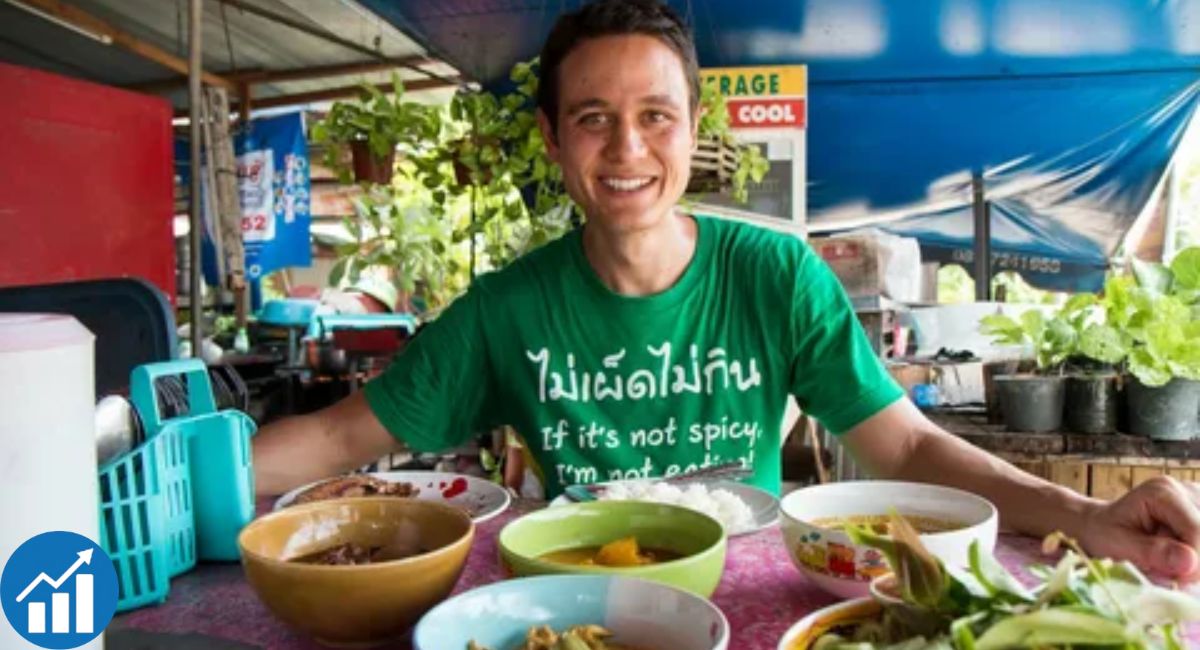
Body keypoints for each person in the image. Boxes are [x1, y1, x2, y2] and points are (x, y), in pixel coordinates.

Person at [254, 0, 1200, 580]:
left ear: (692, 128)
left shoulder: (777, 274)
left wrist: (1083, 517)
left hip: (752, 598)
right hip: (583, 599)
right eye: (592, 119)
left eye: (654, 117)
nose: (627, 151)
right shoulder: (508, 310)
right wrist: (153, 480)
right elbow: (341, 438)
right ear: (550, 139)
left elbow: (904, 443)